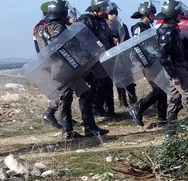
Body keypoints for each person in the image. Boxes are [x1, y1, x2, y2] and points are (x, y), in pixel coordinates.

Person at [40, 1, 109, 140]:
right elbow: (57, 46)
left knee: (71, 96)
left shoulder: (56, 25)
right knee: (82, 94)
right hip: (62, 67)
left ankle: (70, 131)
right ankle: (85, 128)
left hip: (65, 67)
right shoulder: (56, 26)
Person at [158, 0, 188, 133]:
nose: (180, 14)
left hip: (178, 68)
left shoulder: (172, 29)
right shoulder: (166, 31)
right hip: (176, 69)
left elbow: (175, 51)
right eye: (178, 12)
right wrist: (173, 75)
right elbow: (164, 56)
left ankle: (170, 129)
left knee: (174, 99)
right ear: (173, 13)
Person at [129, 1, 167, 126]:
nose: (154, 16)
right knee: (159, 89)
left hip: (155, 62)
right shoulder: (139, 27)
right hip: (148, 64)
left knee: (163, 89)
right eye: (152, 13)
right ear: (146, 13)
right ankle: (139, 108)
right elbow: (138, 46)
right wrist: (146, 62)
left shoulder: (148, 28)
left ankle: (162, 117)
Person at [80, 0, 117, 117]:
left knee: (105, 82)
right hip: (91, 59)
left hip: (103, 56)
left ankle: (104, 108)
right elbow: (82, 39)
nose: (105, 11)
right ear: (95, 9)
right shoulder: (86, 19)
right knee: (98, 83)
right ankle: (95, 107)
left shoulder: (102, 20)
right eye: (102, 9)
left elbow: (105, 37)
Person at [107, 3, 137, 109]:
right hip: (112, 59)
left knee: (129, 79)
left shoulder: (122, 25)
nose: (113, 15)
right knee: (119, 81)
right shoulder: (105, 26)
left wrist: (130, 53)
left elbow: (128, 40)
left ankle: (134, 101)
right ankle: (123, 103)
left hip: (124, 57)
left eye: (115, 13)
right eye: (111, 13)